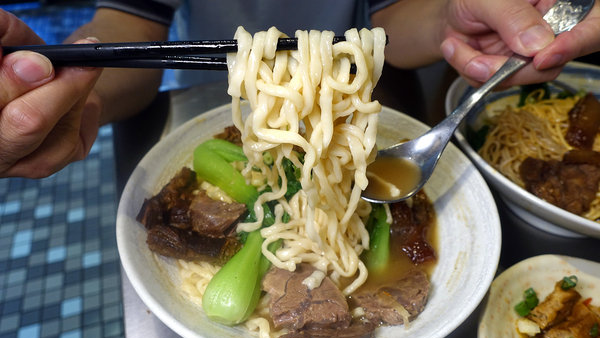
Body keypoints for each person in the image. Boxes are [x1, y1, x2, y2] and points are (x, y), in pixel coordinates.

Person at [0, 0, 599, 179]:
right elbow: (129, 31)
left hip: (359, 107)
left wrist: (448, 25)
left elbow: (388, 22)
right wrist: (78, 77)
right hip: (233, 110)